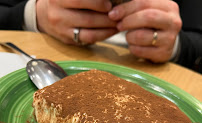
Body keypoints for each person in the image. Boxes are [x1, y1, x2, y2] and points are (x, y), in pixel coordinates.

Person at [0, 0, 202, 73]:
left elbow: (197, 39)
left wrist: (176, 45)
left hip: (149, 72)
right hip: (42, 54)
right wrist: (34, 14)